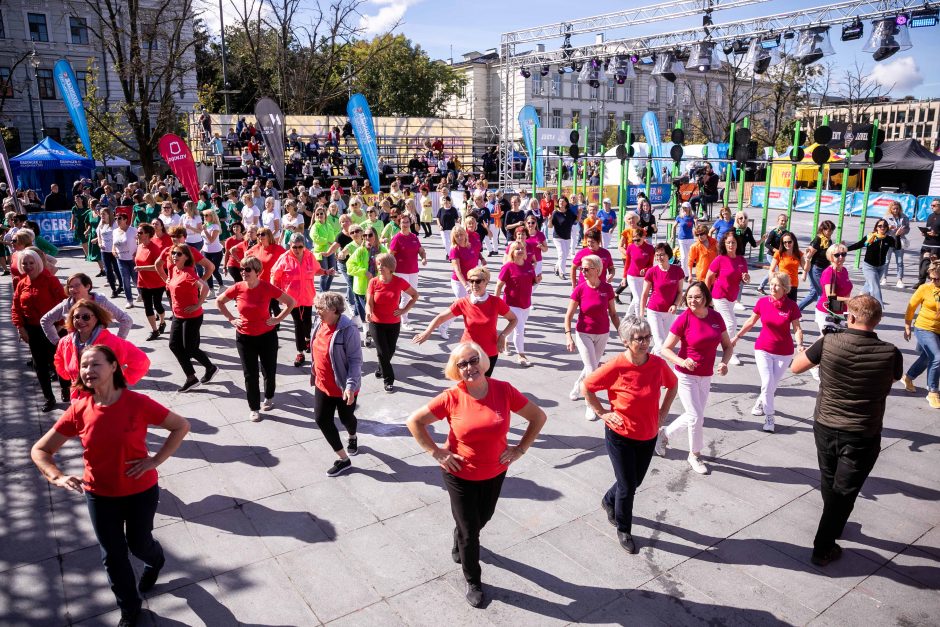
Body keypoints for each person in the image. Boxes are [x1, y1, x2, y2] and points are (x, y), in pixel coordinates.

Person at [31, 345, 191, 626]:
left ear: (114, 367)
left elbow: (181, 426)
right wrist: (56, 476)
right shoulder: (79, 408)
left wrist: (155, 461)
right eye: (83, 366)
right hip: (99, 495)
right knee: (113, 556)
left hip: (140, 491)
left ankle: (155, 560)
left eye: (95, 364)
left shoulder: (138, 403)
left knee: (140, 545)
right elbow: (40, 450)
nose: (88, 371)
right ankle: (130, 608)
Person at [405, 342, 546, 608]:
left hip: (495, 471)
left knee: (482, 519)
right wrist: (436, 452)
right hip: (460, 474)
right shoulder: (451, 396)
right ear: (456, 370)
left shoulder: (503, 390)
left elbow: (538, 417)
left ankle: (459, 535)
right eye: (462, 364)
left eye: (473, 361)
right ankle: (473, 580)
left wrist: (521, 449)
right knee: (471, 533)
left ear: (482, 362)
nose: (469, 368)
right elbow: (414, 421)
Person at [790, 295, 902, 567]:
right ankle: (823, 546)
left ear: (850, 317)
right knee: (845, 490)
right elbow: (896, 376)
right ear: (878, 321)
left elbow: (795, 367)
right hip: (863, 432)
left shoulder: (828, 342)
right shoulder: (890, 352)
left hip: (826, 424)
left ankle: (833, 524)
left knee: (830, 480)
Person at [583, 316, 678, 553]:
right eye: (639, 339)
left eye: (647, 337)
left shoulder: (656, 364)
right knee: (627, 486)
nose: (645, 342)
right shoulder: (616, 366)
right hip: (620, 435)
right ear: (625, 341)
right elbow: (587, 386)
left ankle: (608, 500)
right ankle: (624, 528)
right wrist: (602, 412)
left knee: (634, 481)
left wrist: (663, 412)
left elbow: (673, 384)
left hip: (647, 434)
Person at [658, 282, 734, 474]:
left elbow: (727, 345)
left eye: (697, 296)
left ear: (706, 298)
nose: (693, 300)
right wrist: (682, 362)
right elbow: (665, 349)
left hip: (706, 375)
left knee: (695, 415)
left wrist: (724, 363)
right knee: (695, 416)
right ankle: (695, 455)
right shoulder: (684, 319)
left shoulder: (716, 318)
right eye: (690, 296)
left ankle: (664, 434)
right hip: (685, 375)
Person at [216, 255, 296, 422]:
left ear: (257, 272)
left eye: (247, 269)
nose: (243, 272)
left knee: (269, 370)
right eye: (242, 269)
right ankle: (254, 407)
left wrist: (277, 319)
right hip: (245, 337)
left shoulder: (267, 287)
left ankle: (269, 396)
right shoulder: (237, 287)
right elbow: (219, 301)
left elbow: (291, 302)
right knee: (250, 374)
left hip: (267, 336)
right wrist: (231, 319)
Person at [731, 272, 804, 432]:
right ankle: (770, 417)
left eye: (776, 285)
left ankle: (760, 402)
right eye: (771, 284)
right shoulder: (762, 302)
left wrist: (800, 344)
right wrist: (737, 337)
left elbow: (797, 328)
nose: (772, 287)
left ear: (784, 288)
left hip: (784, 353)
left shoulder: (792, 306)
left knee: (771, 385)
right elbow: (751, 321)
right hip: (763, 349)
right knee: (768, 382)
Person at [414, 266, 517, 377]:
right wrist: (427, 332)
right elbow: (441, 317)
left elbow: (514, 319)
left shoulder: (496, 302)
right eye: (471, 281)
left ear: (486, 282)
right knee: (468, 383)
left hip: (489, 352)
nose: (474, 284)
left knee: (485, 383)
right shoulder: (463, 302)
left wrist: (502, 336)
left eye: (478, 281)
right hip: (467, 352)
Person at [310, 292, 363, 477]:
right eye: (316, 308)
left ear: (334, 309)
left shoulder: (348, 329)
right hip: (322, 383)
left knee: (346, 419)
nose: (317, 312)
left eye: (320, 308)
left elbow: (356, 361)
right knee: (321, 419)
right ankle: (343, 459)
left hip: (344, 387)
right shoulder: (319, 323)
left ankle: (352, 436)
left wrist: (349, 386)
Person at [54, 299, 150, 401]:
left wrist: (121, 381)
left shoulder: (111, 341)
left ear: (96, 318)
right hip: (78, 400)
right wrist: (69, 376)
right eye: (76, 317)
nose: (80, 321)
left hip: (106, 400)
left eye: (86, 317)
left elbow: (141, 360)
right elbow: (58, 359)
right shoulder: (65, 342)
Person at [564, 254, 620, 420]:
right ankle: (591, 405)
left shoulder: (607, 288)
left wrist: (623, 333)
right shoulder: (580, 289)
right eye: (582, 269)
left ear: (597, 270)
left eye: (587, 269)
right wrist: (568, 336)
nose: (583, 272)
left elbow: (614, 314)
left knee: (592, 365)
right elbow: (568, 315)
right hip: (584, 333)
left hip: (603, 333)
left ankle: (578, 385)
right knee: (592, 370)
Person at [12, 249, 68, 412]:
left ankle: (65, 388)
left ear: (38, 263)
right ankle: (49, 398)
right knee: (40, 366)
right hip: (33, 330)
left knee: (57, 362)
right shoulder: (21, 282)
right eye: (25, 263)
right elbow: (16, 307)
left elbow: (64, 304)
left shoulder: (51, 281)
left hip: (54, 329)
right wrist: (20, 327)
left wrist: (60, 325)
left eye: (31, 263)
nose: (28, 266)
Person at [271, 233, 333, 367]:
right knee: (298, 323)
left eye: (300, 247)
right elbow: (274, 275)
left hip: (308, 296)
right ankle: (300, 352)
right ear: (290, 246)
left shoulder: (309, 256)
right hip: (291, 299)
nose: (297, 250)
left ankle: (307, 339)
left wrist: (326, 272)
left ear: (304, 246)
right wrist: (276, 292)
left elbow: (316, 270)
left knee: (307, 321)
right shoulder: (284, 258)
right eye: (294, 247)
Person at [166, 244, 218, 392]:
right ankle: (191, 377)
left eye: (179, 254)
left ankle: (210, 368)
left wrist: (198, 305)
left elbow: (205, 287)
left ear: (187, 257)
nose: (174, 256)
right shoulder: (175, 269)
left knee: (190, 349)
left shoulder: (189, 273)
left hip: (192, 316)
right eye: (173, 253)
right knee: (174, 345)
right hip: (178, 315)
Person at [367, 253, 419, 392]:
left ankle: (381, 369)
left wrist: (404, 310)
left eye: (382, 265)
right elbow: (369, 302)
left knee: (390, 351)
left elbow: (415, 295)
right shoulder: (373, 282)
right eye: (378, 264)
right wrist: (368, 311)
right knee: (383, 352)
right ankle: (388, 380)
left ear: (390, 267)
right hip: (376, 322)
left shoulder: (399, 281)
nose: (379, 267)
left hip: (393, 323)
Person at [41, 272, 133, 344]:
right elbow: (45, 320)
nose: (73, 289)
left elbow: (126, 320)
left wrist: (118, 342)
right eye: (70, 287)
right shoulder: (66, 305)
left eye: (77, 285)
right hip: (75, 351)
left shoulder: (100, 301)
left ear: (87, 286)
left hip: (99, 351)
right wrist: (57, 342)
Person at [705, 230, 750, 366]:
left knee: (721, 324)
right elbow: (708, 277)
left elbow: (745, 278)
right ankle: (729, 352)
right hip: (719, 295)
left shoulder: (741, 260)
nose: (731, 245)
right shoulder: (720, 259)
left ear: (737, 244)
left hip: (732, 298)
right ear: (724, 244)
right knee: (731, 323)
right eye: (729, 242)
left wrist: (746, 278)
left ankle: (709, 343)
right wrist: (707, 297)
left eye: (733, 242)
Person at [901, 261, 940, 407]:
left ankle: (908, 377)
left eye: (937, 279)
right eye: (931, 278)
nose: (933, 281)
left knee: (927, 357)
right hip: (924, 327)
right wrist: (907, 326)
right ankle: (933, 391)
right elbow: (911, 307)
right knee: (937, 357)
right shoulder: (925, 288)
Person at [495, 241, 539, 366]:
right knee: (520, 329)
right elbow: (499, 286)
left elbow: (532, 282)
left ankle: (505, 341)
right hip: (512, 304)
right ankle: (521, 355)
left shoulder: (529, 266)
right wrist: (495, 304)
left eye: (522, 248)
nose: (520, 250)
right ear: (512, 252)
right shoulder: (508, 267)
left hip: (526, 303)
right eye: (517, 249)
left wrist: (537, 280)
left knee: (517, 327)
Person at [639, 243, 685, 355]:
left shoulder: (678, 271)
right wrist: (641, 314)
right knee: (661, 342)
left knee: (663, 341)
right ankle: (659, 369)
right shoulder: (652, 272)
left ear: (668, 255)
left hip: (669, 312)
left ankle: (652, 359)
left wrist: (675, 304)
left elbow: (680, 292)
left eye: (662, 254)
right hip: (654, 311)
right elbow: (644, 294)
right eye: (657, 255)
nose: (659, 257)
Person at [346, 226, 387, 346]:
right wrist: (364, 271)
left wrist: (383, 277)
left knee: (374, 312)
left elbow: (390, 266)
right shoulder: (360, 250)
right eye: (365, 235)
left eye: (370, 235)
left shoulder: (382, 250)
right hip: (362, 288)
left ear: (375, 236)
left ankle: (375, 333)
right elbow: (349, 266)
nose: (367, 238)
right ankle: (367, 333)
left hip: (378, 287)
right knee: (366, 313)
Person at [846, 218, 899, 307]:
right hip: (869, 267)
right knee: (875, 287)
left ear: (887, 228)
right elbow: (858, 245)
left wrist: (897, 236)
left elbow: (897, 248)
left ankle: (853, 303)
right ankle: (879, 307)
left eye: (885, 226)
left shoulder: (889, 239)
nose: (882, 227)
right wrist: (845, 249)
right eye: (880, 226)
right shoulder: (870, 237)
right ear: (876, 227)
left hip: (881, 267)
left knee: (867, 288)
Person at [389, 212, 426, 331]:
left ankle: (400, 317)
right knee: (405, 296)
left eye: (407, 222)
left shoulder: (414, 237)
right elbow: (390, 255)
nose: (405, 224)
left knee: (412, 296)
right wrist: (390, 270)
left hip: (414, 271)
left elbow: (420, 250)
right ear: (399, 224)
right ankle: (404, 321)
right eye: (403, 222)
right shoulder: (397, 238)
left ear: (410, 223)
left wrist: (424, 257)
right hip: (401, 271)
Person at [798, 220, 836, 311]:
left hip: (825, 269)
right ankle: (821, 314)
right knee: (822, 293)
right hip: (816, 269)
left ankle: (796, 310)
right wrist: (804, 272)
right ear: (823, 229)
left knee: (814, 294)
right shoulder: (818, 240)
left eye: (832, 230)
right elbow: (808, 257)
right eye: (828, 230)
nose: (830, 232)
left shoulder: (828, 240)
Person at [619, 227, 654, 317]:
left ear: (643, 237)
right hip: (632, 276)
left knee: (636, 298)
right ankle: (639, 319)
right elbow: (627, 263)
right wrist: (624, 277)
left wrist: (646, 269)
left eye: (638, 240)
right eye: (633, 240)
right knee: (639, 299)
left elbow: (651, 264)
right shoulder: (630, 247)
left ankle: (627, 316)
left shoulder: (650, 248)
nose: (636, 242)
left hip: (644, 277)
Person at [111, 213, 138, 309]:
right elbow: (114, 243)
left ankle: (141, 294)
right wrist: (113, 249)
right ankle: (129, 300)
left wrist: (137, 252)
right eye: (116, 218)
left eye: (119, 218)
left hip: (132, 259)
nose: (117, 220)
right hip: (121, 259)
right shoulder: (114, 231)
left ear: (126, 219)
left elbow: (140, 241)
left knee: (135, 280)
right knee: (125, 280)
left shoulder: (133, 230)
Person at [758, 213, 790, 293]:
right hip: (771, 255)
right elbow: (767, 244)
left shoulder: (786, 233)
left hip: (781, 256)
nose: (783, 222)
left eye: (785, 221)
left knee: (774, 271)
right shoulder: (774, 232)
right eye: (782, 220)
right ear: (778, 221)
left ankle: (762, 286)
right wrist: (775, 250)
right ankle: (766, 286)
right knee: (775, 270)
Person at [310, 206, 339, 292]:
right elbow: (315, 238)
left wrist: (336, 250)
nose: (319, 215)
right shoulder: (315, 226)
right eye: (317, 214)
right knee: (325, 273)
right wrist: (327, 241)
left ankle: (326, 291)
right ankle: (323, 293)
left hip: (331, 251)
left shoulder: (328, 225)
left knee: (332, 273)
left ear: (325, 214)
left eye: (321, 213)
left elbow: (333, 239)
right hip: (321, 252)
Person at [767, 231, 801, 302]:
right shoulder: (779, 253)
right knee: (779, 306)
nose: (787, 244)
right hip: (781, 284)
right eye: (785, 242)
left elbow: (806, 268)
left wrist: (807, 258)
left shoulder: (798, 253)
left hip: (793, 285)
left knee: (791, 308)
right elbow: (771, 270)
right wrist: (772, 283)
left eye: (789, 242)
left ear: (793, 241)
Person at [884, 200, 910, 288]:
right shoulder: (886, 218)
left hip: (900, 241)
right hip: (889, 241)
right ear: (890, 209)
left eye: (897, 209)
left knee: (900, 261)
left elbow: (908, 229)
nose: (896, 210)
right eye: (894, 209)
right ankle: (884, 278)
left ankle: (900, 280)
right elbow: (881, 229)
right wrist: (888, 228)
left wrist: (903, 231)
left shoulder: (904, 217)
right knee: (886, 261)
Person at [550, 195, 577, 279]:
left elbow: (575, 221)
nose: (561, 203)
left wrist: (579, 213)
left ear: (566, 203)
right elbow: (550, 226)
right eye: (560, 201)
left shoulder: (569, 212)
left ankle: (556, 266)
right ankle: (562, 273)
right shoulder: (555, 213)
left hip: (567, 237)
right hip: (558, 237)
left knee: (564, 255)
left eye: (563, 201)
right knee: (561, 254)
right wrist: (550, 219)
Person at [201, 209, 226, 295]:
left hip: (216, 251)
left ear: (212, 216)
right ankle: (211, 290)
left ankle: (221, 286)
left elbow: (211, 240)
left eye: (207, 215)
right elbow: (204, 240)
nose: (205, 217)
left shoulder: (215, 226)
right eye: (204, 215)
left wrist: (204, 230)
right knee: (207, 270)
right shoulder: (206, 225)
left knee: (214, 270)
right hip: (206, 251)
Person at [674, 202, 696, 278]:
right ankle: (685, 274)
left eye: (686, 208)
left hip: (690, 239)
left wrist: (696, 222)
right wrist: (672, 236)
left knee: (690, 256)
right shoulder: (680, 217)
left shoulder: (692, 217)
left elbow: (696, 227)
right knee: (683, 257)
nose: (684, 209)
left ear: (689, 208)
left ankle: (688, 271)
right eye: (683, 208)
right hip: (682, 239)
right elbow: (674, 226)